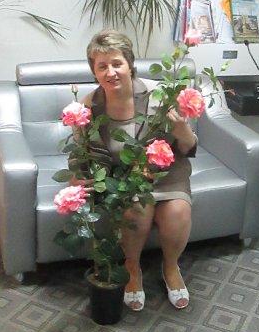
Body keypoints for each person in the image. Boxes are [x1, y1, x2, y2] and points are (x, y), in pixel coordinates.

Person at [70, 30, 197, 311]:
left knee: (177, 212)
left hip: (166, 173)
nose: (110, 72)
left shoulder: (158, 95)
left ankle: (171, 267)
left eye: (117, 63)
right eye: (102, 66)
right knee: (135, 211)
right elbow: (81, 151)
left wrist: (183, 131)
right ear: (94, 71)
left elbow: (187, 147)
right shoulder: (88, 107)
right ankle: (132, 268)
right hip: (125, 177)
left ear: (130, 64)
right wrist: (77, 176)